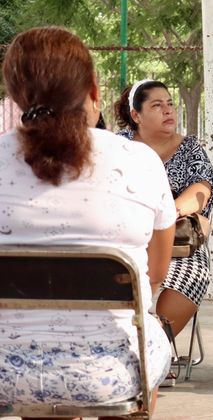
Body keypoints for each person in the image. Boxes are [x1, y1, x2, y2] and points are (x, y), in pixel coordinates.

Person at [0, 26, 174, 414]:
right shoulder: (139, 161)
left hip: (5, 374)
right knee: (152, 334)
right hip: (110, 372)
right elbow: (156, 271)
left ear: (15, 95)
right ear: (93, 91)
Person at [114, 80, 213, 355]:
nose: (168, 110)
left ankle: (151, 352)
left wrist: (164, 212)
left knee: (191, 277)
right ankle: (131, 351)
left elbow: (202, 189)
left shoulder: (190, 148)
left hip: (179, 245)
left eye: (170, 104)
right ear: (136, 115)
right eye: (157, 105)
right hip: (125, 241)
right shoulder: (118, 147)